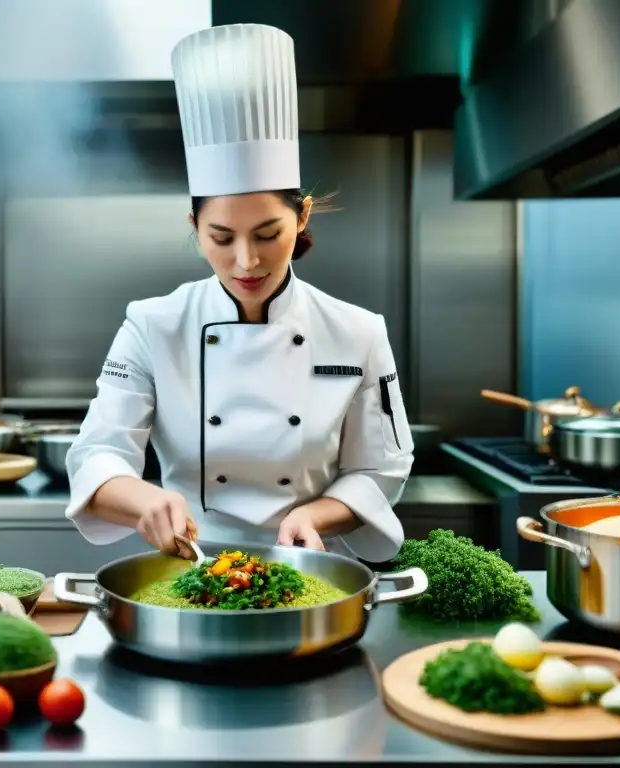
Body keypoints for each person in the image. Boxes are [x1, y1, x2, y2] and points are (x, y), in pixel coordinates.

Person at [65, 23, 413, 562]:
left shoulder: (358, 331)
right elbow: (98, 452)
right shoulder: (153, 324)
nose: (246, 261)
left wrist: (314, 513)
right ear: (194, 225)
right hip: (190, 564)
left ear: (301, 217)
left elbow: (381, 467)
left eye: (268, 235)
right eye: (221, 238)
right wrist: (143, 501)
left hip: (315, 568)